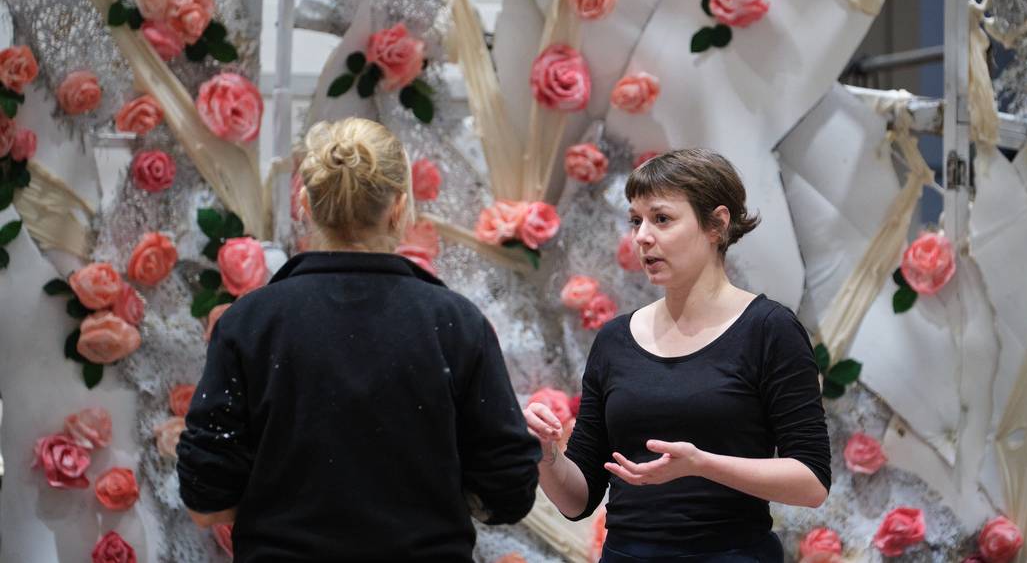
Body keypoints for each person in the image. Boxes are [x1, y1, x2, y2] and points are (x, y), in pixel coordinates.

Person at [177, 117, 541, 562]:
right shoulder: (457, 324)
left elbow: (205, 496)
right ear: (399, 208)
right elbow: (509, 490)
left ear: (306, 205)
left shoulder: (249, 323)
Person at [525, 149, 831, 562]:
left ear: (717, 224)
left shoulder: (769, 329)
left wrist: (701, 464)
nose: (642, 236)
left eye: (662, 219)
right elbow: (577, 500)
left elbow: (812, 482)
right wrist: (546, 454)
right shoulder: (615, 339)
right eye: (636, 220)